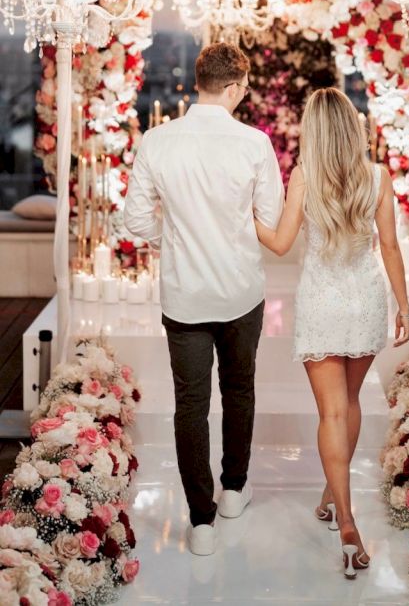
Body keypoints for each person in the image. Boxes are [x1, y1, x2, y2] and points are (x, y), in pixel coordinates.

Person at [124, 42, 284, 556]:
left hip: (185, 293)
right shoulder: (254, 143)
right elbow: (271, 219)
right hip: (240, 290)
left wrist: (173, 236)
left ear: (200, 82)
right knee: (239, 390)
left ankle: (201, 521)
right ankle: (233, 490)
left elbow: (135, 220)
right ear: (235, 87)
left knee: (190, 405)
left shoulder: (157, 140)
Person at [255, 87, 409, 579]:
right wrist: (403, 305)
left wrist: (245, 217)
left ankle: (346, 522)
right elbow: (388, 246)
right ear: (353, 126)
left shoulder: (304, 176)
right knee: (351, 403)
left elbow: (280, 244)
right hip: (365, 300)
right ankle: (333, 493)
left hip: (322, 303)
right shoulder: (378, 176)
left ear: (314, 131)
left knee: (332, 412)